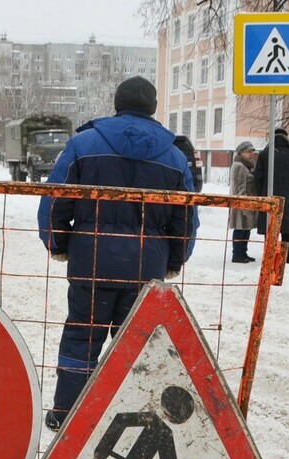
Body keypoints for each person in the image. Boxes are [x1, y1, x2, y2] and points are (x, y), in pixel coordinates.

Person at [38, 76, 194, 432]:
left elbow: (56, 200)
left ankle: (66, 414)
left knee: (81, 336)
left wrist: (57, 242)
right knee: (136, 344)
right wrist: (175, 259)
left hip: (91, 261)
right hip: (146, 266)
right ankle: (132, 417)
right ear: (153, 107)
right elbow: (185, 215)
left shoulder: (84, 144)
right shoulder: (174, 157)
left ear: (117, 102)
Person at [254, 128, 289, 258]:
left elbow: (258, 176)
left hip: (268, 196)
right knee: (287, 230)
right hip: (288, 197)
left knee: (269, 229)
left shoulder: (266, 153)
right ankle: (286, 257)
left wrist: (261, 195)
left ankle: (269, 256)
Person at [228, 141, 259, 263]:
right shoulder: (239, 166)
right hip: (241, 205)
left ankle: (243, 252)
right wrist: (245, 206)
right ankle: (237, 254)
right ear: (241, 152)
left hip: (248, 203)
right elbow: (239, 188)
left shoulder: (248, 165)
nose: (251, 154)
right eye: (248, 151)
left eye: (252, 151)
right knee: (240, 229)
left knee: (246, 229)